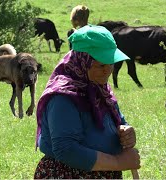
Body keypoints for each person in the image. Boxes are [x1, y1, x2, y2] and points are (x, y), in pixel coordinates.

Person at [34, 25, 140, 179]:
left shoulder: (99, 89)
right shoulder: (63, 98)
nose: (107, 70)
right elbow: (66, 150)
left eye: (111, 63)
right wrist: (119, 162)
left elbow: (118, 122)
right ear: (81, 62)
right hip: (69, 174)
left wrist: (126, 132)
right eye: (100, 65)